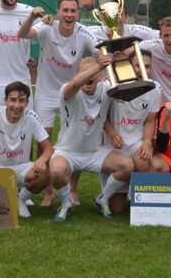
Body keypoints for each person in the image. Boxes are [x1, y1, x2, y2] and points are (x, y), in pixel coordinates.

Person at [18, 0, 99, 205]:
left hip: (72, 94)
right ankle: (46, 191)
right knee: (44, 140)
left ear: (78, 14)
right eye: (65, 10)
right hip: (46, 92)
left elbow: (100, 54)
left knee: (74, 142)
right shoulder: (47, 27)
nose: (69, 15)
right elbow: (23, 33)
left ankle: (72, 190)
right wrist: (32, 17)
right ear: (58, 12)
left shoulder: (84, 33)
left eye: (73, 11)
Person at [49, 55, 134, 222]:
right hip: (68, 152)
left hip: (94, 152)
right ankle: (66, 204)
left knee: (127, 166)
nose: (88, 76)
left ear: (100, 77)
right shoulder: (68, 90)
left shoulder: (106, 88)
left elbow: (127, 83)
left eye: (92, 73)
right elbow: (74, 84)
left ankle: (102, 199)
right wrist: (97, 67)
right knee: (57, 172)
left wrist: (116, 62)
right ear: (78, 75)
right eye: (83, 73)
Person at [0, 81, 53, 219]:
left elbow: (48, 148)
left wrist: (42, 159)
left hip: (21, 167)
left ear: (27, 102)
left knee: (45, 175)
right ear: (5, 100)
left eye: (21, 101)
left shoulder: (31, 116)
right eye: (12, 100)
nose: (17, 105)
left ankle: (20, 199)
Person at [101, 49, 160, 213]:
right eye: (138, 65)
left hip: (135, 142)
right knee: (117, 209)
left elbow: (150, 119)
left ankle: (143, 202)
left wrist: (147, 142)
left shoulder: (155, 88)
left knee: (143, 159)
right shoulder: (114, 85)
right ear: (130, 67)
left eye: (147, 66)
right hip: (112, 144)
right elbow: (100, 116)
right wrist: (112, 133)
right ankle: (105, 197)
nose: (143, 69)